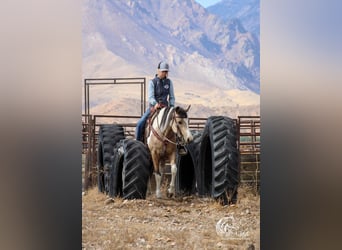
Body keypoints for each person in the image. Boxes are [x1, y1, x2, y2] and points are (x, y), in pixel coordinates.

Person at [135, 61, 175, 142]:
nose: (165, 73)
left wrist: (172, 107)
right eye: (163, 71)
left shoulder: (169, 82)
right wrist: (156, 104)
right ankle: (138, 144)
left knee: (177, 123)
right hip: (153, 108)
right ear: (158, 70)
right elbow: (151, 97)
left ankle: (179, 146)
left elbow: (172, 97)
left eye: (166, 71)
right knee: (140, 124)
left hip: (166, 109)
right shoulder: (152, 82)